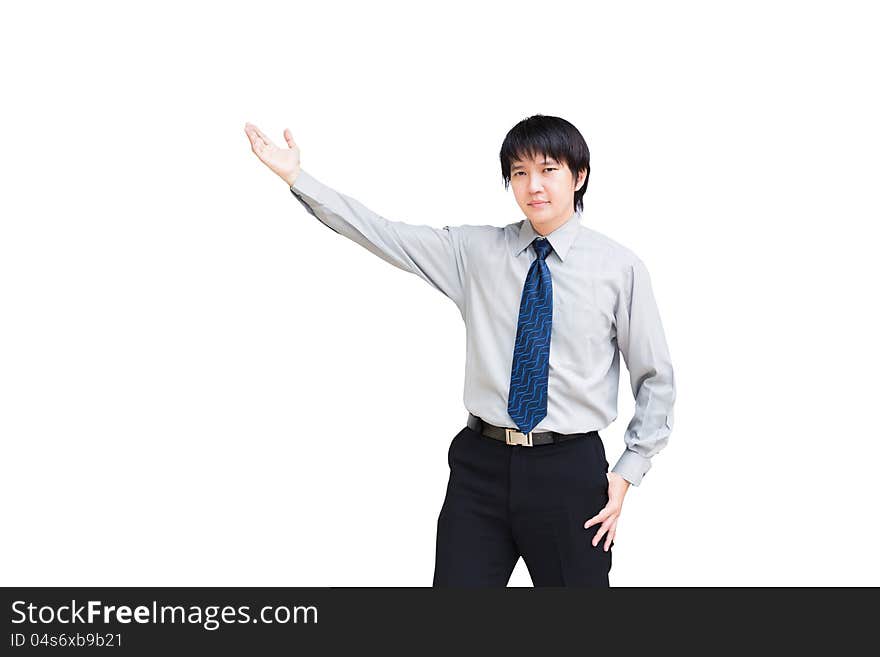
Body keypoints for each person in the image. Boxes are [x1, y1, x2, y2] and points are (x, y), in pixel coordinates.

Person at [243, 115, 676, 587]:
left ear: (580, 175)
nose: (534, 185)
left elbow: (655, 378)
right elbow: (381, 233)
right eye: (519, 172)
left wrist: (628, 470)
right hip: (480, 468)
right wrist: (296, 178)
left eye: (549, 170)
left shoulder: (620, 268)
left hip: (569, 472)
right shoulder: (474, 252)